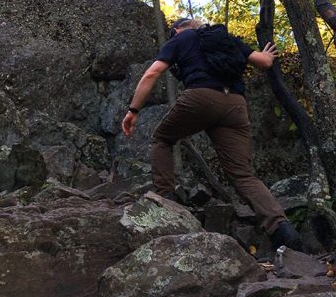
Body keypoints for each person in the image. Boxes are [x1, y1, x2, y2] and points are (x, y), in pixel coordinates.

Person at [121, 18, 302, 251]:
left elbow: (152, 73)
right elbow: (264, 62)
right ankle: (282, 229)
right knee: (243, 175)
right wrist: (268, 52)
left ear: (176, 30)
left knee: (163, 138)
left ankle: (164, 200)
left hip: (200, 97)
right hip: (235, 106)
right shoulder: (226, 40)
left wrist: (133, 110)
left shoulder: (180, 38)